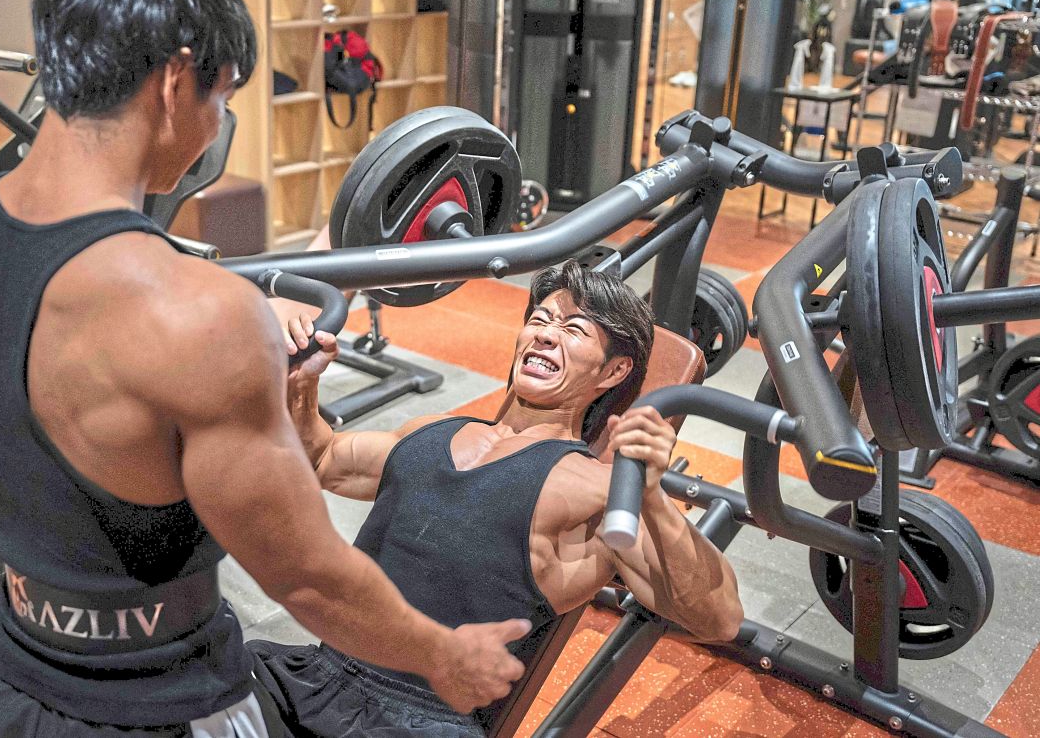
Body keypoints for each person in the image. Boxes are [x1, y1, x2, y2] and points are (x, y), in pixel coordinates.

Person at [0, 0, 527, 737]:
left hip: (16, 682)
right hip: (167, 704)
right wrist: (444, 655)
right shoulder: (199, 314)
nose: (216, 125)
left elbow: (43, 435)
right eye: (224, 96)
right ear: (176, 80)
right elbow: (307, 578)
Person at [252, 260, 745, 736]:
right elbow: (320, 460)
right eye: (539, 319)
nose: (545, 334)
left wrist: (651, 496)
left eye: (573, 329)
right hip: (312, 676)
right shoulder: (429, 432)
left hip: (420, 720)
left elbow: (719, 618)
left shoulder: (594, 490)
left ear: (614, 371)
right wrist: (303, 383)